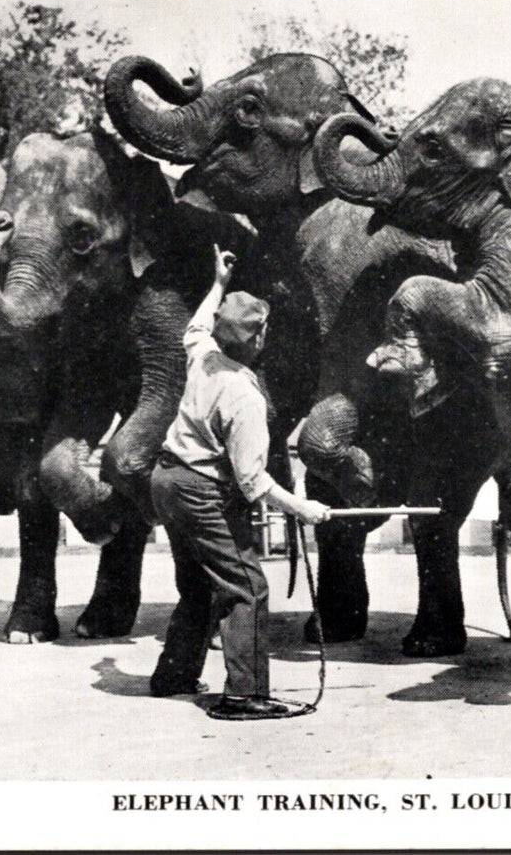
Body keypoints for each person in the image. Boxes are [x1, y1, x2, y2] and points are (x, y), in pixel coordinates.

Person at [148, 244, 332, 720]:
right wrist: (303, 509)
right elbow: (253, 481)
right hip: (200, 490)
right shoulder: (244, 395)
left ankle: (174, 674)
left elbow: (196, 325)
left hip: (166, 479)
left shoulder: (204, 357)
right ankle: (245, 695)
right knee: (246, 584)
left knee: (200, 584)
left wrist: (218, 285)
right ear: (256, 340)